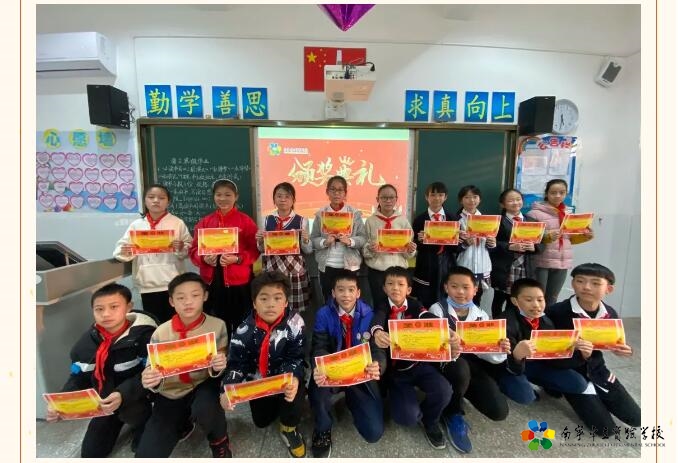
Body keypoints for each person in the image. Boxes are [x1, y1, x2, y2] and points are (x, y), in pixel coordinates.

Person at [45, 283, 157, 457]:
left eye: (114, 307)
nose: (106, 314)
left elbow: (151, 375)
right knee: (91, 453)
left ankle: (143, 424)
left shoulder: (146, 336)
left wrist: (122, 394)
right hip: (105, 402)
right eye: (99, 309)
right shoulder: (87, 342)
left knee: (140, 434)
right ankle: (117, 420)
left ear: (128, 307)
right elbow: (78, 377)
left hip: (137, 398)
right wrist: (61, 403)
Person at [429, 267, 531, 454]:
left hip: (473, 366)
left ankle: (460, 393)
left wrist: (499, 349)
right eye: (454, 286)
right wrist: (450, 348)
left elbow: (491, 359)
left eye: (466, 287)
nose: (460, 292)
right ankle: (452, 412)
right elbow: (432, 348)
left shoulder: (481, 315)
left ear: (475, 289)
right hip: (446, 366)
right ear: (446, 288)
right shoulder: (437, 310)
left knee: (499, 411)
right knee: (459, 368)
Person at [504, 278, 616, 436]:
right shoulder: (506, 323)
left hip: (539, 364)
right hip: (512, 367)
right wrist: (517, 355)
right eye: (528, 300)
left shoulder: (547, 320)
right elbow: (500, 362)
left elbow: (557, 359)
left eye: (540, 299)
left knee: (578, 384)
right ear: (515, 301)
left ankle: (549, 385)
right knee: (525, 396)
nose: (536, 305)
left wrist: (577, 352)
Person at [136, 272, 231, 457]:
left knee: (206, 408)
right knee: (148, 453)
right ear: (171, 301)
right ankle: (183, 423)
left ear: (205, 296)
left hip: (203, 383)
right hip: (171, 391)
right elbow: (151, 366)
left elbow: (222, 358)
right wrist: (150, 378)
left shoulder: (217, 325)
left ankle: (219, 439)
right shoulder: (160, 332)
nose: (188, 302)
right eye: (181, 298)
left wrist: (219, 365)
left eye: (195, 295)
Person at [371, 266, 460, 451]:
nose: (395, 288)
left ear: (409, 289)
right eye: (390, 284)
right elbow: (377, 320)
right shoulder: (381, 306)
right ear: (384, 288)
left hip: (419, 365)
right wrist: (377, 332)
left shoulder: (415, 304)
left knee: (444, 391)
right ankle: (410, 408)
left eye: (400, 284)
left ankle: (430, 420)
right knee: (407, 417)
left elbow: (425, 315)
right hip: (396, 372)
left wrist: (444, 328)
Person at [221, 271, 307, 458]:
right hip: (259, 382)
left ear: (286, 302)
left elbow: (297, 357)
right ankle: (275, 406)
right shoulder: (243, 329)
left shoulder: (295, 323)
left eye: (277, 298)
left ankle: (289, 428)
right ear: (254, 302)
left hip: (285, 378)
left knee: (294, 399)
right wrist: (227, 389)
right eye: (264, 298)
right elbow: (237, 364)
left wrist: (293, 379)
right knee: (262, 421)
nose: (270, 304)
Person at [545, 263, 640, 431]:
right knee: (605, 429)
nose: (587, 287)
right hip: (568, 371)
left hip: (597, 368)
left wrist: (624, 349)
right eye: (580, 281)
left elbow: (614, 342)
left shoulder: (609, 313)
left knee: (636, 418)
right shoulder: (556, 312)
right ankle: (555, 386)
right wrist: (578, 353)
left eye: (595, 283)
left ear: (609, 289)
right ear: (573, 283)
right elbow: (546, 352)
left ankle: (595, 390)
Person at [309, 269, 383, 457]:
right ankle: (322, 428)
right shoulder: (323, 314)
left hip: (359, 373)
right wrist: (319, 366)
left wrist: (378, 364)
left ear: (358, 293)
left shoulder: (369, 314)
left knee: (373, 433)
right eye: (340, 290)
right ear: (333, 293)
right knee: (318, 389)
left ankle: (352, 399)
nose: (346, 295)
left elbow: (377, 349)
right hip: (332, 372)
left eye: (351, 290)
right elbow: (319, 346)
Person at [189, 178, 260, 338]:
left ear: (236, 197)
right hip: (213, 282)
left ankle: (241, 350)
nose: (223, 198)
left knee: (243, 322)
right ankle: (222, 351)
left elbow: (255, 250)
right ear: (214, 196)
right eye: (219, 195)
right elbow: (193, 250)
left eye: (228, 195)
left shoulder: (245, 221)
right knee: (217, 323)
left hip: (239, 282)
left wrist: (238, 259)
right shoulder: (205, 222)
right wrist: (204, 259)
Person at [113, 184, 192, 323]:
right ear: (145, 200)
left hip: (173, 282)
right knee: (154, 322)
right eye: (151, 197)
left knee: (175, 322)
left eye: (161, 198)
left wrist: (181, 247)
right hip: (147, 283)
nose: (156, 200)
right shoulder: (136, 225)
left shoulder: (177, 223)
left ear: (168, 201)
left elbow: (190, 247)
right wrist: (125, 250)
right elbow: (120, 250)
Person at [527, 179, 594, 305]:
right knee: (537, 298)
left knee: (552, 299)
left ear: (566, 194)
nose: (558, 196)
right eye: (553, 192)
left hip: (562, 261)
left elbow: (569, 239)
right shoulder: (534, 213)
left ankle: (549, 319)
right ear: (546, 193)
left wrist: (586, 236)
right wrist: (547, 236)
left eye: (562, 192)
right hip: (541, 261)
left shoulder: (568, 214)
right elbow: (528, 238)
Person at [256, 182, 313, 313]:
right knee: (274, 305)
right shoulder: (266, 220)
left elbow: (308, 250)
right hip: (272, 269)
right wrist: (260, 241)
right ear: (274, 199)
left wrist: (305, 240)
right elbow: (261, 250)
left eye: (287, 196)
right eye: (279, 196)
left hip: (294, 270)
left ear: (293, 200)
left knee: (295, 309)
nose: (283, 199)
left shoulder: (302, 220)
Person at [310, 175, 367, 303]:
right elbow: (313, 239)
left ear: (345, 193)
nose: (336, 193)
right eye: (333, 189)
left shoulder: (354, 214)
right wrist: (324, 242)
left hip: (349, 266)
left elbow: (363, 238)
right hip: (327, 266)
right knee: (329, 301)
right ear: (327, 192)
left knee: (349, 302)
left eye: (340, 190)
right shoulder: (320, 214)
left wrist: (350, 241)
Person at [489, 189, 544, 318]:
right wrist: (509, 246)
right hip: (504, 267)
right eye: (511, 200)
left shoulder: (532, 221)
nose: (515, 203)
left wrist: (534, 247)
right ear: (503, 204)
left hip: (525, 267)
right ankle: (498, 323)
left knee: (518, 299)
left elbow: (542, 244)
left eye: (518, 199)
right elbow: (491, 244)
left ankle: (514, 323)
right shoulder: (497, 222)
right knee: (499, 298)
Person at [363, 184, 417, 305]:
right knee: (379, 305)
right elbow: (364, 249)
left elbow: (408, 254)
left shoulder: (403, 221)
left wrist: (410, 249)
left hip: (399, 271)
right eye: (384, 197)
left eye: (391, 197)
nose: (388, 201)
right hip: (377, 272)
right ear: (377, 199)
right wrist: (370, 249)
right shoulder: (370, 221)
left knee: (398, 305)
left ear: (396, 199)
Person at [412, 181, 459, 308]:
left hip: (447, 263)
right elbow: (414, 246)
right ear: (426, 197)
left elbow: (457, 249)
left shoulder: (452, 218)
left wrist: (459, 240)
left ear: (445, 197)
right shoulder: (419, 220)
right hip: (426, 264)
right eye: (433, 195)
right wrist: (419, 240)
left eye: (440, 195)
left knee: (446, 299)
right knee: (425, 300)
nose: (436, 198)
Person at [454, 185, 496, 307]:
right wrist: (465, 244)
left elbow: (491, 247)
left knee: (477, 300)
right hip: (464, 265)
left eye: (475, 197)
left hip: (482, 266)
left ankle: (474, 319)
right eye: (467, 197)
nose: (471, 200)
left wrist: (492, 244)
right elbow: (450, 248)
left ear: (480, 199)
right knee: (460, 299)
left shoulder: (488, 220)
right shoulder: (455, 220)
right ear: (461, 200)